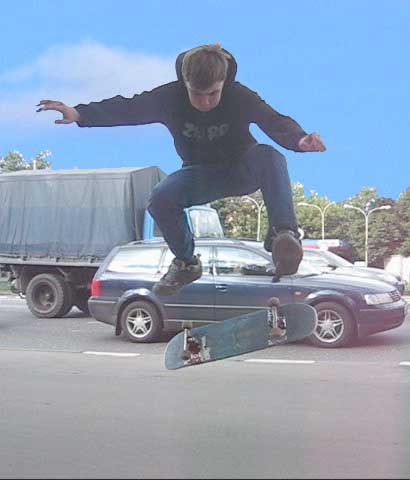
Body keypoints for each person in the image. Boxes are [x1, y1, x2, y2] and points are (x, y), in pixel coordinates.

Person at [37, 43, 326, 296]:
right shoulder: (169, 97)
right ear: (184, 82)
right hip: (201, 175)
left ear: (223, 82)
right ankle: (186, 264)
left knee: (270, 156)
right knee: (160, 198)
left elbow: (273, 120)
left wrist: (300, 140)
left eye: (213, 94)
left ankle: (284, 235)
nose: (205, 102)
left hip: (242, 168)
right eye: (197, 94)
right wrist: (80, 113)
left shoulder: (239, 96)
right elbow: (128, 108)